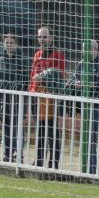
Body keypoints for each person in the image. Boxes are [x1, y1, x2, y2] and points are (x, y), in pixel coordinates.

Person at [73, 40, 99, 175]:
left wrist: (93, 84)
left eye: (89, 49)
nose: (85, 52)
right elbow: (74, 80)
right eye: (84, 50)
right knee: (89, 139)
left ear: (96, 49)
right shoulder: (81, 64)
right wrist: (77, 84)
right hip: (86, 108)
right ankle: (90, 170)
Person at [28, 26, 64, 169]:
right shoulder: (37, 54)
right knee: (40, 130)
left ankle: (53, 163)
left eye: (44, 37)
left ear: (51, 38)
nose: (42, 40)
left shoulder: (57, 54)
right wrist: (31, 91)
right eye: (40, 37)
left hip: (50, 98)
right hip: (37, 96)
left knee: (52, 131)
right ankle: (39, 160)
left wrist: (42, 78)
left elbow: (59, 75)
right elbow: (32, 76)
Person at [0, 33, 30, 162]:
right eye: (7, 42)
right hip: (3, 98)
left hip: (17, 99)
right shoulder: (1, 59)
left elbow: (25, 80)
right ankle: (7, 153)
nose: (9, 45)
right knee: (6, 127)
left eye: (11, 42)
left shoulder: (23, 60)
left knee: (17, 127)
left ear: (16, 44)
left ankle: (19, 153)